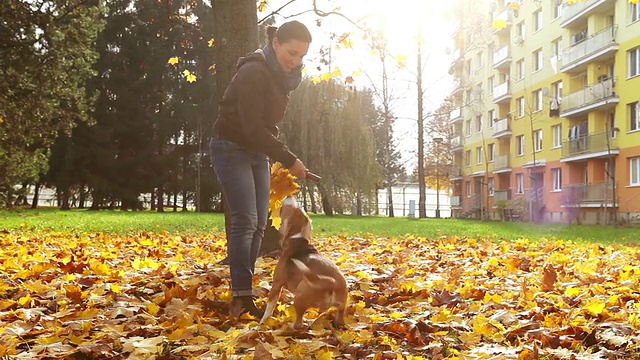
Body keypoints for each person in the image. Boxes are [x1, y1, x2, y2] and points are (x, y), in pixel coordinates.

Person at [210, 21, 312, 318]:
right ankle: (241, 297)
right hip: (231, 146)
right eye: (291, 53)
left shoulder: (282, 76)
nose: (295, 61)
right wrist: (289, 158)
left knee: (258, 224)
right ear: (276, 43)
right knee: (246, 221)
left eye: (301, 57)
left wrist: (278, 153)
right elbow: (252, 127)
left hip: (255, 149)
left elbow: (261, 129)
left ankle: (246, 291)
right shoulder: (254, 72)